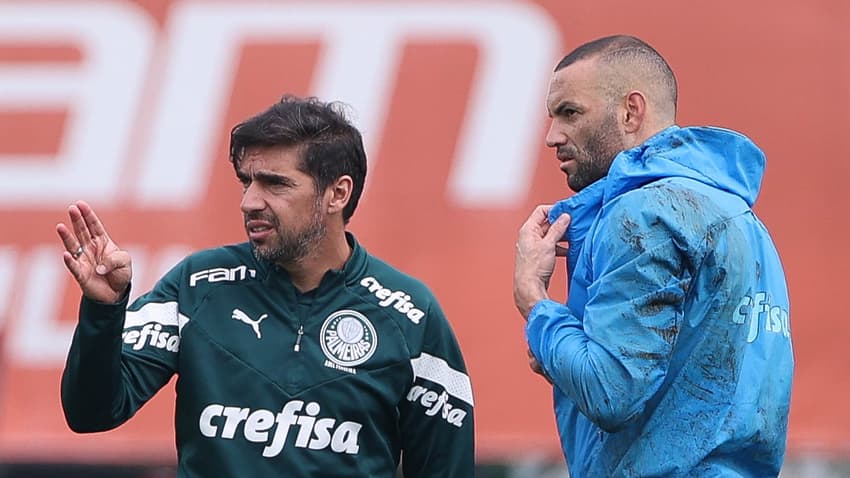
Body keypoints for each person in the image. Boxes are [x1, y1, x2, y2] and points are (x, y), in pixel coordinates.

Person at [57, 95, 475, 477]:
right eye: (247, 181)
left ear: (337, 194)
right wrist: (104, 311)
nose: (249, 201)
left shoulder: (411, 315)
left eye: (275, 183)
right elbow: (91, 413)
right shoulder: (198, 285)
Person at [513, 35, 792, 477]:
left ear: (631, 111)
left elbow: (610, 392)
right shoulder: (741, 216)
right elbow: (682, 377)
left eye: (570, 113)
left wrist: (534, 302)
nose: (552, 136)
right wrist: (560, 351)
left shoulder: (643, 214)